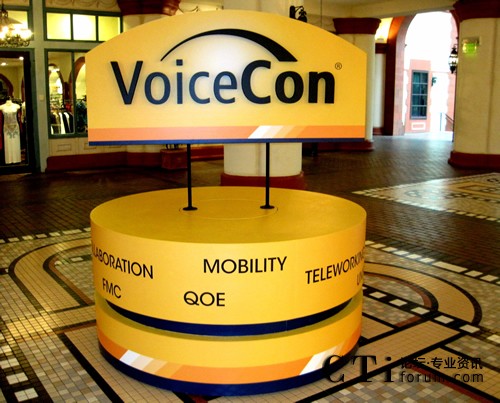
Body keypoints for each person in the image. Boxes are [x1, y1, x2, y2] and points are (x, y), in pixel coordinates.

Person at [0, 99, 21, 164]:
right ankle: (8, 160)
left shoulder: (16, 106)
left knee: (15, 143)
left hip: (15, 128)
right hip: (7, 128)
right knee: (8, 144)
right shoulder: (2, 107)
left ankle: (17, 159)